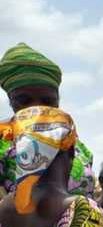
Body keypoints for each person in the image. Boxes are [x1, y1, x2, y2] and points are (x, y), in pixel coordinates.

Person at [0, 43, 95, 198]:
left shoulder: (77, 146)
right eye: (24, 100)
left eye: (47, 101)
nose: (37, 108)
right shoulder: (2, 140)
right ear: (10, 101)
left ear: (57, 101)